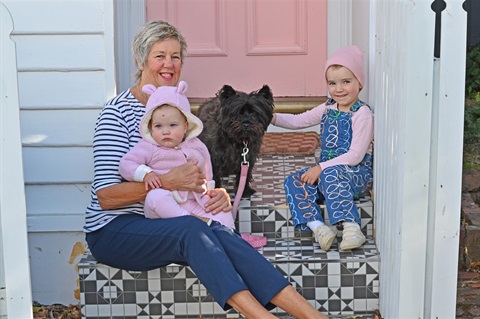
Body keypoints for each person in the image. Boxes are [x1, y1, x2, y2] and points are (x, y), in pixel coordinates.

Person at [84, 20, 328, 319]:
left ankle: (314, 317)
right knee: (194, 229)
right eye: (160, 55)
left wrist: (217, 195)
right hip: (115, 230)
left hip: (172, 221)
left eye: (176, 56)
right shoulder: (116, 114)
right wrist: (167, 183)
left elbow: (197, 178)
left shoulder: (180, 113)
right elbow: (106, 198)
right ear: (140, 60)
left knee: (217, 231)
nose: (169, 64)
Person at [271, 45, 374, 252]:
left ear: (359, 83)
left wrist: (321, 168)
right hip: (329, 174)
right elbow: (299, 120)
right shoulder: (328, 107)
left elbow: (355, 156)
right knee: (294, 181)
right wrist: (269, 116)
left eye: (346, 82)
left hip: (356, 175)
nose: (339, 89)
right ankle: (318, 228)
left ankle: (352, 228)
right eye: (332, 83)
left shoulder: (362, 114)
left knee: (331, 174)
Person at [118, 80, 235, 228]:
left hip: (194, 201)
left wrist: (210, 191)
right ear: (150, 128)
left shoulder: (196, 146)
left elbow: (207, 168)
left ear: (186, 126)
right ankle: (193, 222)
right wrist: (145, 174)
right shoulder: (148, 147)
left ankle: (231, 238)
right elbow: (126, 164)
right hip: (163, 209)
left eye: (173, 125)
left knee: (221, 210)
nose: (165, 131)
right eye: (158, 126)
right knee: (155, 196)